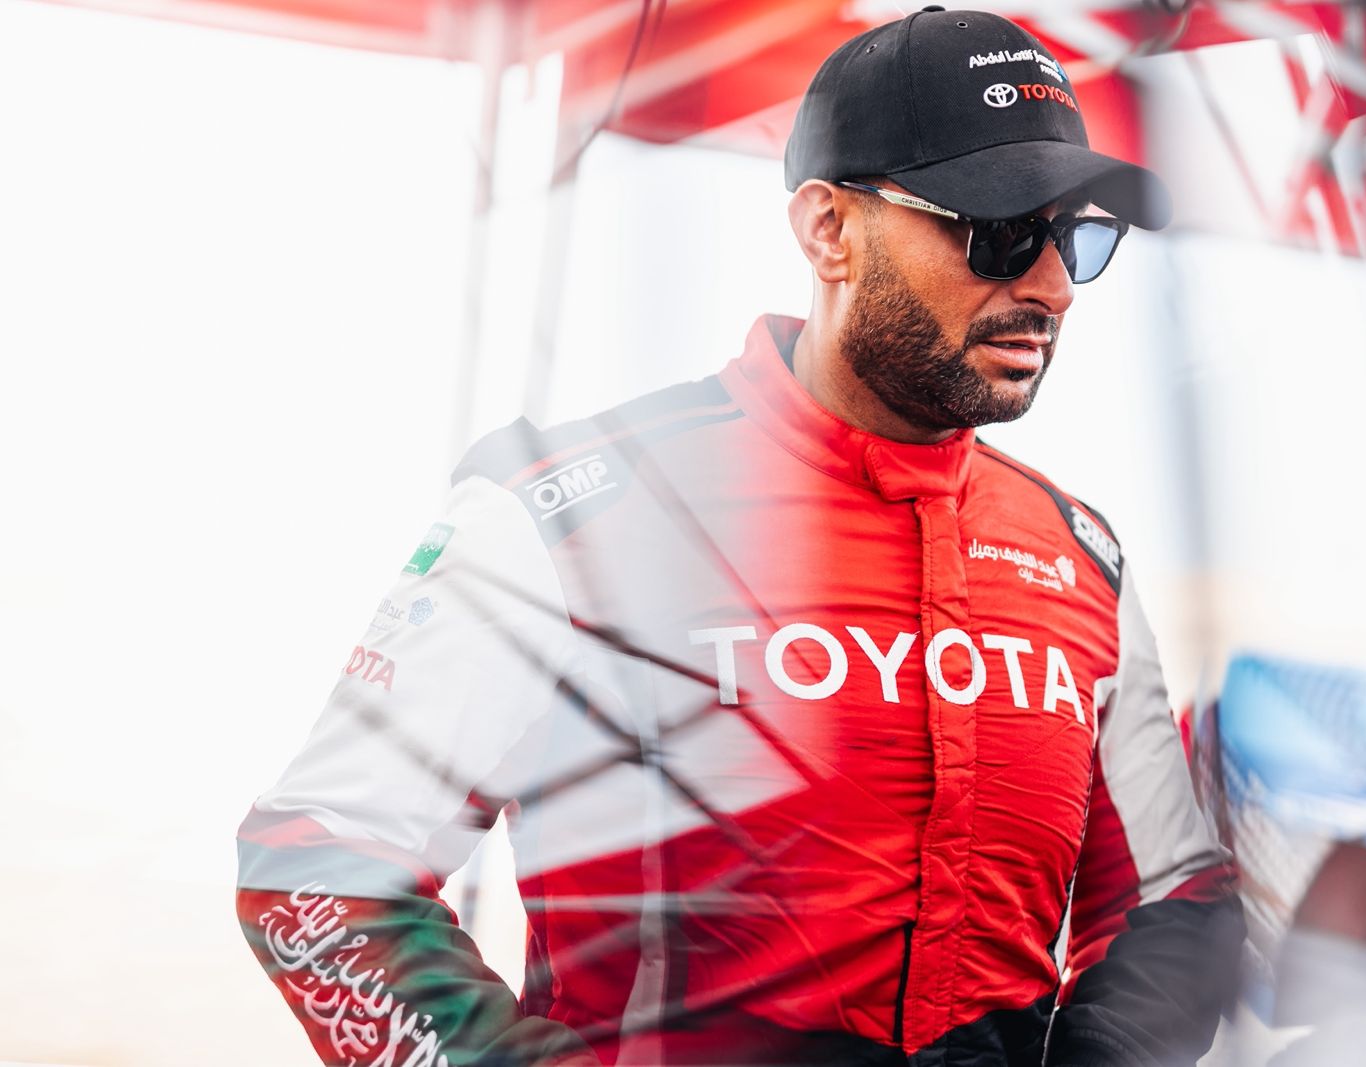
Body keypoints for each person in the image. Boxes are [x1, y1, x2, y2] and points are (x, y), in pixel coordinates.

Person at [237, 8, 1241, 1066]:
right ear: (829, 229)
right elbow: (318, 862)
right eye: (999, 232)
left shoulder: (1080, 558)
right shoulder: (572, 512)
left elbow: (1178, 897)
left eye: (1077, 236)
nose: (1051, 287)